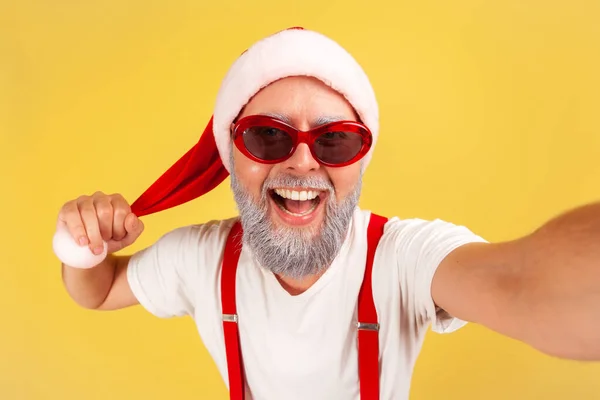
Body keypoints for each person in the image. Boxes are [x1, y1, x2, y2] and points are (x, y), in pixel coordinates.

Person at [56, 28, 600, 400]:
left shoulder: (404, 260)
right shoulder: (201, 258)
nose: (301, 161)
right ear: (229, 156)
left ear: (360, 161)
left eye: (335, 140)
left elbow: (530, 285)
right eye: (268, 135)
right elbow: (98, 290)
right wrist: (83, 243)